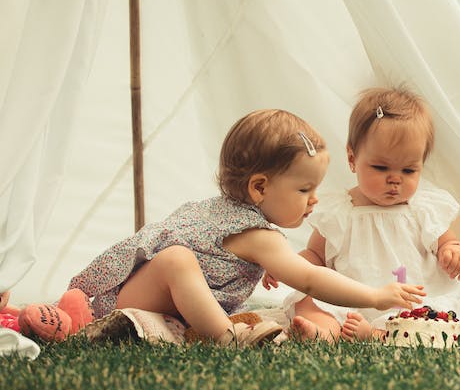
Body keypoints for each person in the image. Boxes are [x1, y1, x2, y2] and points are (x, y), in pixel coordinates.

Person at [69, 109, 424, 347]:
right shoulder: (258, 236)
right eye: (304, 190)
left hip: (151, 297)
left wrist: (264, 263)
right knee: (176, 259)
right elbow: (311, 278)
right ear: (259, 188)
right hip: (139, 301)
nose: (314, 200)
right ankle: (229, 336)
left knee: (180, 260)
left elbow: (219, 255)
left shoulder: (230, 215)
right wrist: (376, 295)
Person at [270, 86, 460, 342]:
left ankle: (376, 334)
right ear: (352, 158)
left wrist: (454, 251)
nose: (395, 179)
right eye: (380, 167)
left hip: (407, 304)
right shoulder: (340, 212)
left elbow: (447, 240)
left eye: (409, 171)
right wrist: (285, 266)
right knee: (309, 300)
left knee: (431, 317)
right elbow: (315, 256)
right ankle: (323, 330)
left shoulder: (423, 210)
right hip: (349, 301)